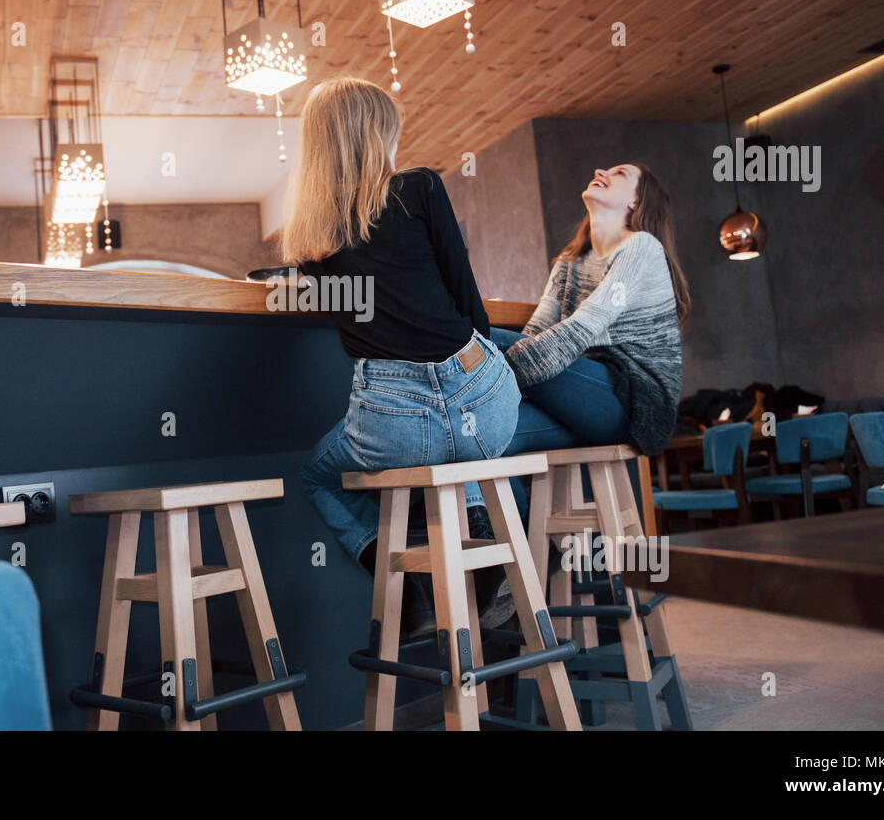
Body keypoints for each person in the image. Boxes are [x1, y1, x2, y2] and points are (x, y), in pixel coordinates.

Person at [284, 77, 520, 637]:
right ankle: (485, 554)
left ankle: (407, 594)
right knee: (459, 442)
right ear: (376, 135)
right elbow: (468, 302)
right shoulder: (419, 188)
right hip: (484, 405)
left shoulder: (311, 241)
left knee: (318, 474)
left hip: (392, 427)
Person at [462, 162, 690, 509]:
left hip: (632, 402)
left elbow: (581, 329)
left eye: (620, 174)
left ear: (635, 201)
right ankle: (527, 553)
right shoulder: (570, 261)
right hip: (579, 403)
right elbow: (536, 335)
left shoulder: (641, 248)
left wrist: (493, 375)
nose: (602, 170)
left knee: (479, 340)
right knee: (480, 434)